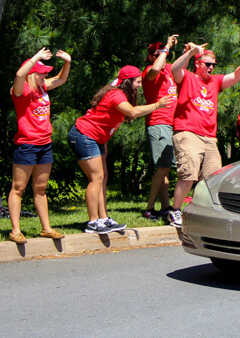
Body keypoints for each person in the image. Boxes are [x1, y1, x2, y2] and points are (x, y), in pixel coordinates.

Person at [68, 66, 171, 234]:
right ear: (128, 81)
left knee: (103, 177)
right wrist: (157, 105)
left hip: (97, 139)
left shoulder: (120, 94)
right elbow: (132, 111)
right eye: (137, 81)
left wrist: (103, 142)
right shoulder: (116, 95)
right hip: (84, 135)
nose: (139, 85)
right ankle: (93, 222)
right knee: (96, 178)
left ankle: (103, 218)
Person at [169, 43, 240, 227]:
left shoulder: (215, 81)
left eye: (213, 65)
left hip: (209, 137)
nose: (211, 68)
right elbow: (174, 68)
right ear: (198, 64)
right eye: (207, 64)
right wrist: (190, 53)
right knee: (188, 174)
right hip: (187, 132)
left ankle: (201, 213)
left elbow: (235, 77)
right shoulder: (188, 77)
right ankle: (175, 211)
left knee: (212, 178)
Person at [8, 47, 72, 244]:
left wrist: (68, 62)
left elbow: (61, 79)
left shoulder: (42, 86)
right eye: (42, 72)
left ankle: (46, 228)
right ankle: (16, 230)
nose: (46, 75)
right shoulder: (20, 90)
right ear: (32, 74)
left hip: (45, 144)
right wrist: (35, 57)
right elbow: (19, 74)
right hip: (26, 144)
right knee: (19, 188)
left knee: (41, 188)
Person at [142, 35, 180, 220]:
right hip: (159, 122)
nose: (160, 56)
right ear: (150, 57)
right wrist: (166, 48)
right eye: (155, 54)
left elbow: (181, 67)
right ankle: (149, 209)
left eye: (162, 53)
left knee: (166, 168)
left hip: (170, 123)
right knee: (162, 168)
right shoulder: (149, 71)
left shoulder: (170, 71)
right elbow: (155, 68)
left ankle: (165, 206)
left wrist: (189, 52)